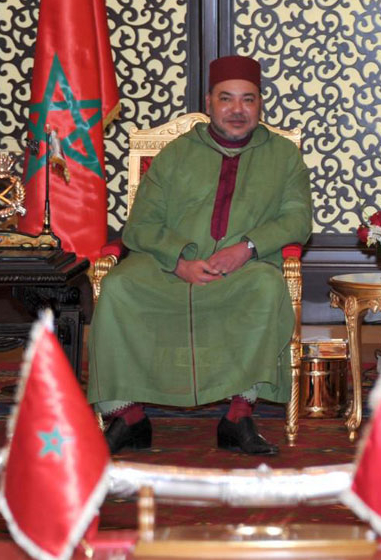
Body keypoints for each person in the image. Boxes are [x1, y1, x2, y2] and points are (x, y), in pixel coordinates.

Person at [87, 55, 312, 456]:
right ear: (208, 103)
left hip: (242, 270)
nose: (237, 109)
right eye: (226, 99)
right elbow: (139, 226)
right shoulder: (176, 153)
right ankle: (128, 417)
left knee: (266, 287)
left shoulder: (283, 156)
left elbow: (297, 220)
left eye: (248, 99)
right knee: (118, 286)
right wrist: (178, 262)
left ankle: (238, 417)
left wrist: (247, 248)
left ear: (260, 104)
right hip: (168, 268)